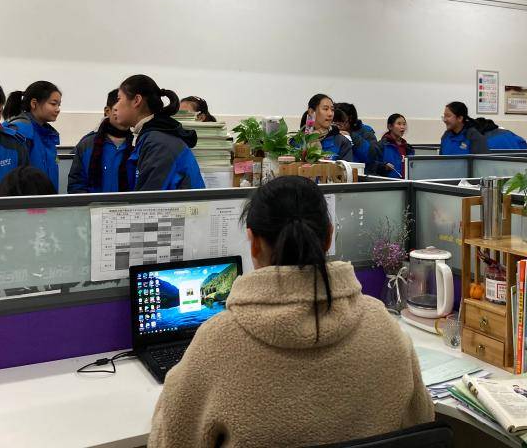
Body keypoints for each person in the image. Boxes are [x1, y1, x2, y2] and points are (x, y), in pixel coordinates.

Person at [148, 176, 433, 447]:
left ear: (253, 242)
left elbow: (168, 439)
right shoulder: (384, 327)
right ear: (329, 236)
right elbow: (422, 423)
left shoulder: (216, 343)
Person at [113, 75, 205, 191]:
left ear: (136, 100)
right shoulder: (150, 136)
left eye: (119, 99)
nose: (114, 107)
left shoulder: (158, 143)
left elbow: (149, 198)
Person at [68, 89, 133, 193]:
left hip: (128, 204)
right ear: (107, 111)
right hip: (92, 203)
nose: (124, 114)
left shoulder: (138, 144)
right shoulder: (87, 144)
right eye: (119, 109)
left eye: (128, 110)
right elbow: (76, 183)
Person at [4, 81, 62, 190]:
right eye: (53, 104)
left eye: (59, 105)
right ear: (34, 103)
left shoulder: (47, 134)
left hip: (47, 197)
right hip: (26, 198)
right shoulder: (19, 131)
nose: (58, 109)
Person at [299, 94, 353, 161]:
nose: (330, 114)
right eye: (325, 109)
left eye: (332, 110)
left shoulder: (341, 142)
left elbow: (347, 167)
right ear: (311, 112)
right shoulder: (298, 141)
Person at [367, 113, 415, 179]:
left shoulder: (408, 148)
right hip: (388, 183)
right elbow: (370, 166)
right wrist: (383, 166)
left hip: (406, 183)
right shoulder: (380, 146)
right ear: (390, 126)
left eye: (404, 124)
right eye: (399, 124)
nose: (402, 127)